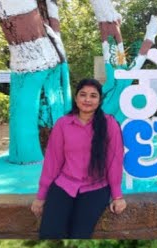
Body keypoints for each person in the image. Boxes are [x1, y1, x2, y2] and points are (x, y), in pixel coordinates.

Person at [32, 78, 128, 239]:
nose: (87, 100)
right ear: (76, 99)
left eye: (93, 96)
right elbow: (52, 162)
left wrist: (117, 196)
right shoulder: (63, 124)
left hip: (96, 188)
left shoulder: (109, 124)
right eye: (83, 95)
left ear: (99, 100)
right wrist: (41, 196)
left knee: (79, 235)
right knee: (49, 233)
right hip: (64, 185)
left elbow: (114, 161)